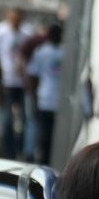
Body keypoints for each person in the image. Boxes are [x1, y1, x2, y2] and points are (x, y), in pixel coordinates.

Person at [0, 8, 34, 159]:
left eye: (19, 19)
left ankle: (21, 150)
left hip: (22, 82)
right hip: (6, 82)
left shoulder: (27, 33)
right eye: (14, 19)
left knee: (24, 120)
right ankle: (8, 151)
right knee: (7, 120)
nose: (16, 22)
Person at [27, 23, 63, 166]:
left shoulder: (64, 51)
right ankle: (44, 164)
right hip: (47, 100)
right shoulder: (42, 51)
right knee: (45, 137)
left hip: (57, 102)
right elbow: (33, 77)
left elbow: (33, 77)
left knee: (52, 137)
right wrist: (34, 100)